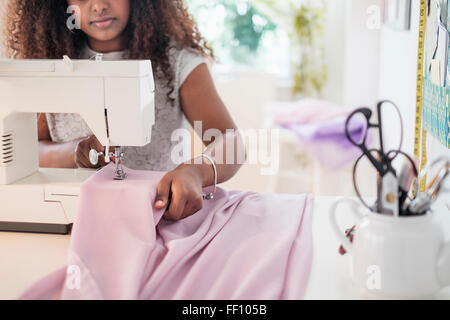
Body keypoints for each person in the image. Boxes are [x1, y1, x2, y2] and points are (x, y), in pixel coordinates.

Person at [3, 0, 244, 221]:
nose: (98, 6)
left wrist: (196, 171)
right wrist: (74, 152)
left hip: (160, 214)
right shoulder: (49, 62)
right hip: (75, 218)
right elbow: (30, 148)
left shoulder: (177, 63)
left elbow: (231, 142)